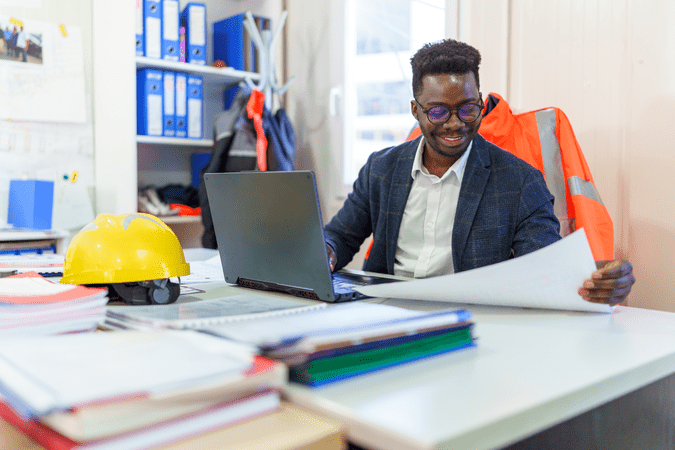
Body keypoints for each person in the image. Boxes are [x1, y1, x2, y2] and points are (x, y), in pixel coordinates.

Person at [324, 38, 635, 306]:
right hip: (385, 314)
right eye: (437, 111)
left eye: (468, 108)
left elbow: (545, 267)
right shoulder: (381, 168)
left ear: (481, 103)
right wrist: (326, 252)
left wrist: (598, 278)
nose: (455, 123)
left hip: (469, 321)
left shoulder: (520, 181)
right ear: (415, 110)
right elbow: (340, 235)